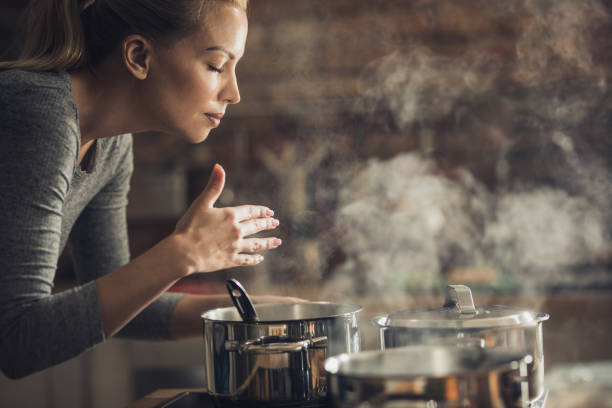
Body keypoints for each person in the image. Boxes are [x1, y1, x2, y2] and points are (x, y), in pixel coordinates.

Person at [0, 0, 294, 379]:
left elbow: (120, 304)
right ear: (138, 56)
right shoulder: (40, 115)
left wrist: (269, 313)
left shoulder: (112, 145)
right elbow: (18, 341)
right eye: (216, 66)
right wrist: (184, 252)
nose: (233, 93)